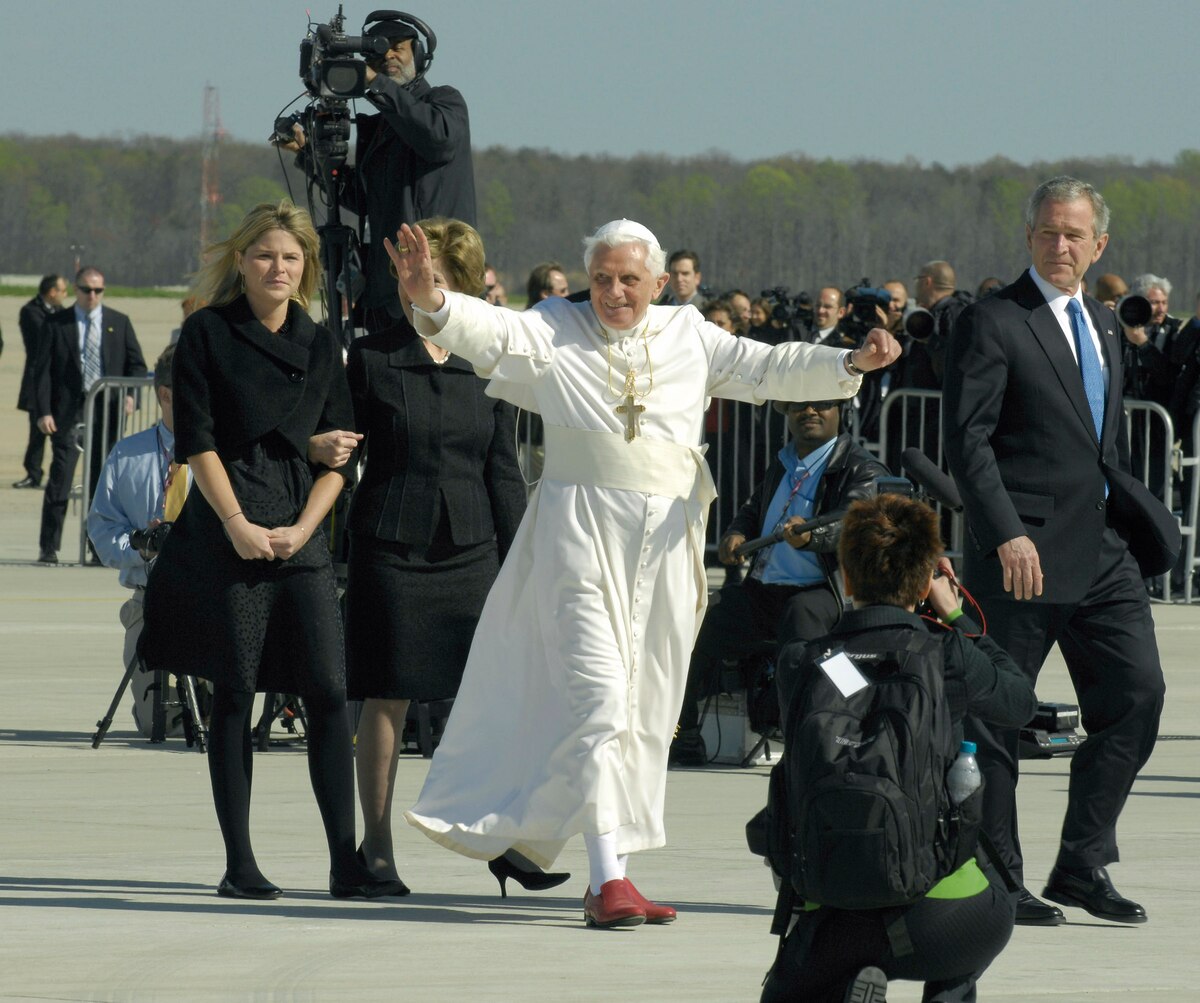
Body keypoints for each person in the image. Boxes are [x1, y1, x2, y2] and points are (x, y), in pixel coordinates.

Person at [388, 216, 901, 928]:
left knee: (640, 707)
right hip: (578, 536)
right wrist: (436, 303)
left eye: (630, 279)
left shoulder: (689, 334)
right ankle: (605, 883)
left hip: (663, 548)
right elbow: (493, 333)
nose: (614, 292)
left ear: (659, 284)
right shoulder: (556, 323)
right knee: (599, 697)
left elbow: (767, 367)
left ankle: (603, 865)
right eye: (602, 278)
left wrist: (848, 365)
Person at [139, 200, 398, 901]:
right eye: (264, 255)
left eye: (290, 257)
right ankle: (240, 863)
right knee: (235, 692)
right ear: (242, 262)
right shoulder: (207, 333)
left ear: (306, 266)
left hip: (299, 529)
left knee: (325, 694)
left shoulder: (318, 342)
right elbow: (199, 440)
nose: (277, 267)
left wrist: (306, 527)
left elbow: (339, 452)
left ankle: (345, 863)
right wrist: (235, 523)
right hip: (229, 525)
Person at [942, 176, 1165, 927]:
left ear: (1099, 244)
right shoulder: (994, 320)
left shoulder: (1103, 323)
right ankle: (1001, 879)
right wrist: (1004, 531)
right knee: (999, 718)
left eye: (1074, 235)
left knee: (1137, 696)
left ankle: (1082, 861)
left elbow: (1104, 441)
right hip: (1021, 555)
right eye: (1047, 233)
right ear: (1029, 237)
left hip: (1103, 552)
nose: (1060, 246)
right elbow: (967, 439)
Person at [760, 493, 1036, 1003]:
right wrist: (955, 617)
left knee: (797, 985)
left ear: (845, 577)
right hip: (944, 919)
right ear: (925, 578)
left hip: (833, 910)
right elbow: (1020, 702)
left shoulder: (808, 662)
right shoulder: (946, 654)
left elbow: (852, 683)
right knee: (992, 903)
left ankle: (843, 981)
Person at [335, 217, 534, 894]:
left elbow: (503, 470)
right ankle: (378, 844)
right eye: (412, 277)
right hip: (392, 547)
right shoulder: (372, 357)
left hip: (473, 546)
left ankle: (500, 836)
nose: (422, 289)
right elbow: (340, 454)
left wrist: (525, 561)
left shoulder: (490, 363)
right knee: (385, 696)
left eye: (438, 280)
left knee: (492, 698)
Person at [670, 397, 890, 766]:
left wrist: (812, 538)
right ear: (787, 414)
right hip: (766, 589)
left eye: (822, 405)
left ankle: (839, 726)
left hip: (825, 592)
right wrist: (737, 533)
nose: (810, 412)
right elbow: (753, 509)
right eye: (799, 406)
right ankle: (685, 735)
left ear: (842, 412)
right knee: (696, 626)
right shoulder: (784, 461)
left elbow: (858, 523)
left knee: (802, 637)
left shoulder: (862, 468)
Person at [288, 11, 474, 335]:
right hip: (384, 290)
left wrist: (376, 83)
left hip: (434, 283)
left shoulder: (444, 102)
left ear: (418, 54)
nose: (387, 56)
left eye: (397, 47)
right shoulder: (378, 128)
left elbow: (436, 139)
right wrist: (308, 155)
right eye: (377, 51)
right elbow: (363, 199)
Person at [87, 345, 202, 737]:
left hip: (214, 597)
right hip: (149, 596)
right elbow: (102, 531)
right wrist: (141, 547)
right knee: (158, 722)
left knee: (223, 714)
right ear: (166, 394)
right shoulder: (127, 455)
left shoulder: (227, 453)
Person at [33, 267, 146, 564]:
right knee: (61, 478)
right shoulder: (57, 323)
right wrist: (43, 411)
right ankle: (49, 547)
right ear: (76, 289)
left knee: (101, 483)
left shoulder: (118, 323)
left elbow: (136, 364)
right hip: (67, 413)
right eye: (86, 289)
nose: (92, 295)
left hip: (106, 413)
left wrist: (131, 394)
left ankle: (97, 548)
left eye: (98, 290)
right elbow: (41, 371)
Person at [14, 275, 68, 489]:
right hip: (38, 379)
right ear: (52, 292)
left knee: (61, 431)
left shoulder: (61, 312)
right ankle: (33, 473)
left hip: (60, 380)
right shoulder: (30, 311)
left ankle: (59, 475)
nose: (65, 295)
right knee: (37, 430)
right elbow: (45, 337)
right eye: (63, 290)